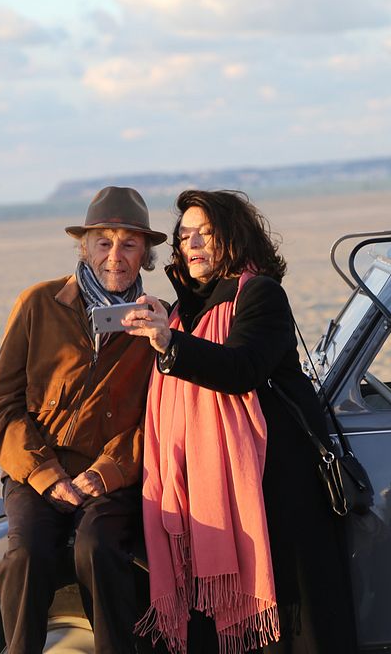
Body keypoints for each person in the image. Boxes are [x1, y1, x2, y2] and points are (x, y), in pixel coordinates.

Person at [123, 190, 358, 654]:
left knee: (289, 628)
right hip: (206, 502)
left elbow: (242, 368)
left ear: (232, 237)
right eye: (184, 236)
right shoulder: (180, 311)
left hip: (274, 491)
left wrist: (171, 344)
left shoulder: (261, 295)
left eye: (204, 233)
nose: (191, 244)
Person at [0, 186, 168, 654]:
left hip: (112, 478)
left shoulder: (158, 322)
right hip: (36, 471)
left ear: (145, 253)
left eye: (129, 244)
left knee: (98, 550)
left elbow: (160, 419)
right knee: (25, 556)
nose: (115, 256)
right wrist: (46, 476)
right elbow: (2, 406)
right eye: (103, 242)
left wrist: (102, 475)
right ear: (84, 246)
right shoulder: (37, 303)